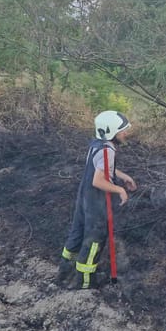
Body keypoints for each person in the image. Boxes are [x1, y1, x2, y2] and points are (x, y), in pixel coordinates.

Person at [58, 110, 137, 289]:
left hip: (84, 199)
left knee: (76, 235)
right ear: (110, 131)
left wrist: (123, 176)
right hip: (96, 202)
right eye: (122, 129)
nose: (126, 133)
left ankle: (64, 272)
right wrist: (119, 190)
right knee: (94, 240)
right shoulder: (108, 150)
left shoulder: (97, 144)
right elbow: (98, 180)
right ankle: (85, 283)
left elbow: (101, 168)